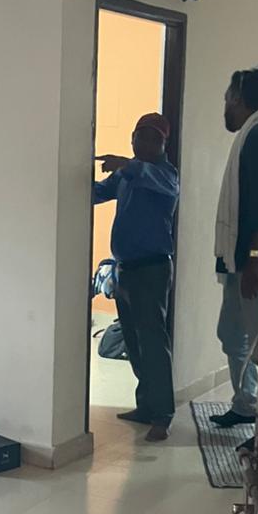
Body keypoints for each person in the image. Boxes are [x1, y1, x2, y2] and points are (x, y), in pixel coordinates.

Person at [93, 113, 178, 442]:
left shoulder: (165, 176)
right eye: (139, 136)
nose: (143, 143)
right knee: (133, 342)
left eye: (152, 139)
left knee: (153, 344)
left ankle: (162, 416)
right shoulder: (126, 175)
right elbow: (98, 193)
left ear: (163, 144)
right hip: (125, 270)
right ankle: (145, 406)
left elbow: (143, 174)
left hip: (152, 271)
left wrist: (125, 164)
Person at [212, 65, 258, 429]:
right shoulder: (251, 133)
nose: (225, 106)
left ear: (238, 98)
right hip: (237, 260)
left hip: (249, 263)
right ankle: (246, 404)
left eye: (226, 99)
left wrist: (254, 261)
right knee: (233, 335)